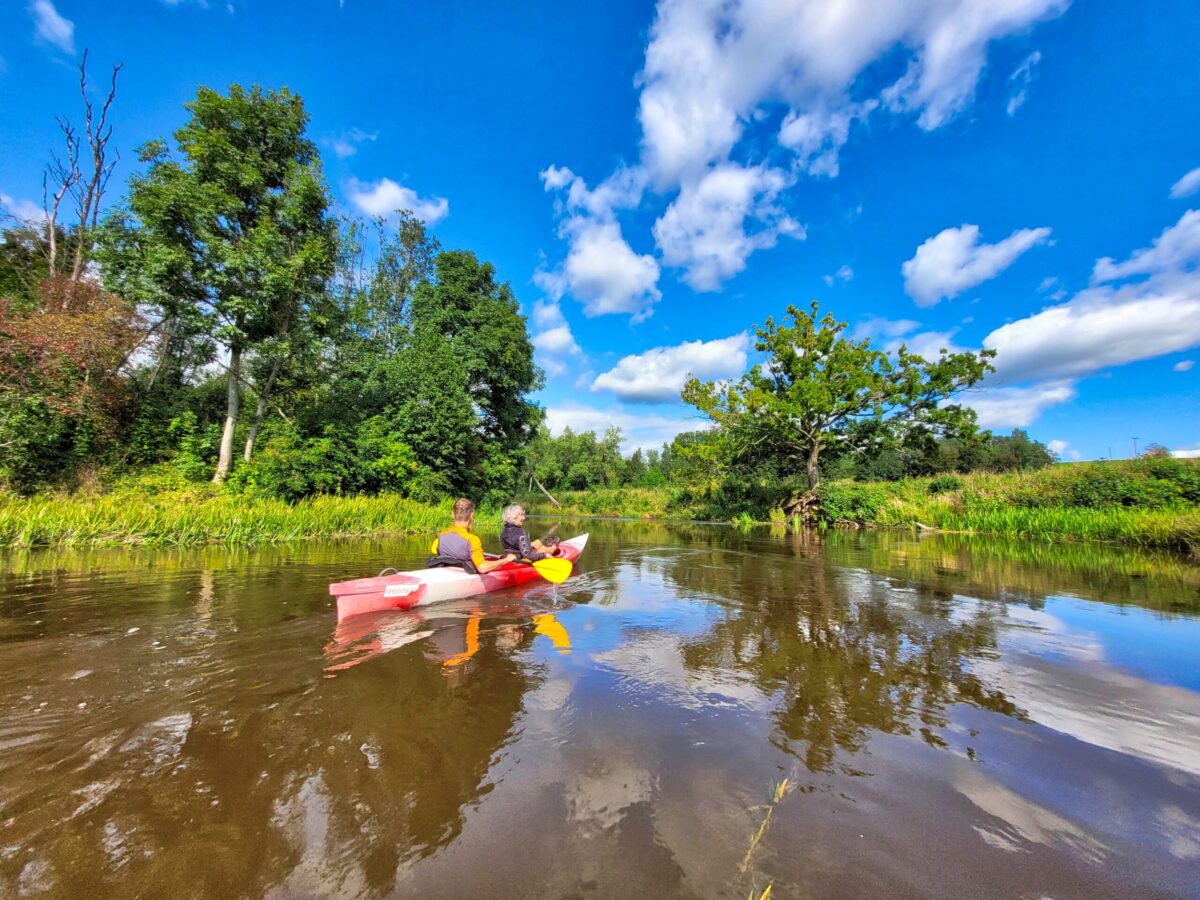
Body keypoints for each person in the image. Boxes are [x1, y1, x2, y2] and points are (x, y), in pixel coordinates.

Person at [428, 498, 515, 574]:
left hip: (447, 571)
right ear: (471, 515)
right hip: (464, 574)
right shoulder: (472, 540)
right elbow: (482, 568)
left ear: (452, 514)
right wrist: (506, 560)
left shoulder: (441, 536)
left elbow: (434, 550)